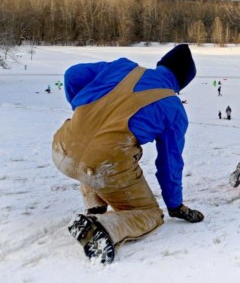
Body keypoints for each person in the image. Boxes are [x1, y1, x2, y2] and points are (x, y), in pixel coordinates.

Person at [52, 44, 204, 264]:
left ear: (162, 63)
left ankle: (96, 203)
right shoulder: (173, 108)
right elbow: (169, 164)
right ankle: (101, 227)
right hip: (101, 166)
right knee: (149, 213)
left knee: (96, 146)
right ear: (182, 82)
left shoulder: (122, 67)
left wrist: (84, 114)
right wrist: (175, 205)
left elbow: (72, 75)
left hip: (62, 148)